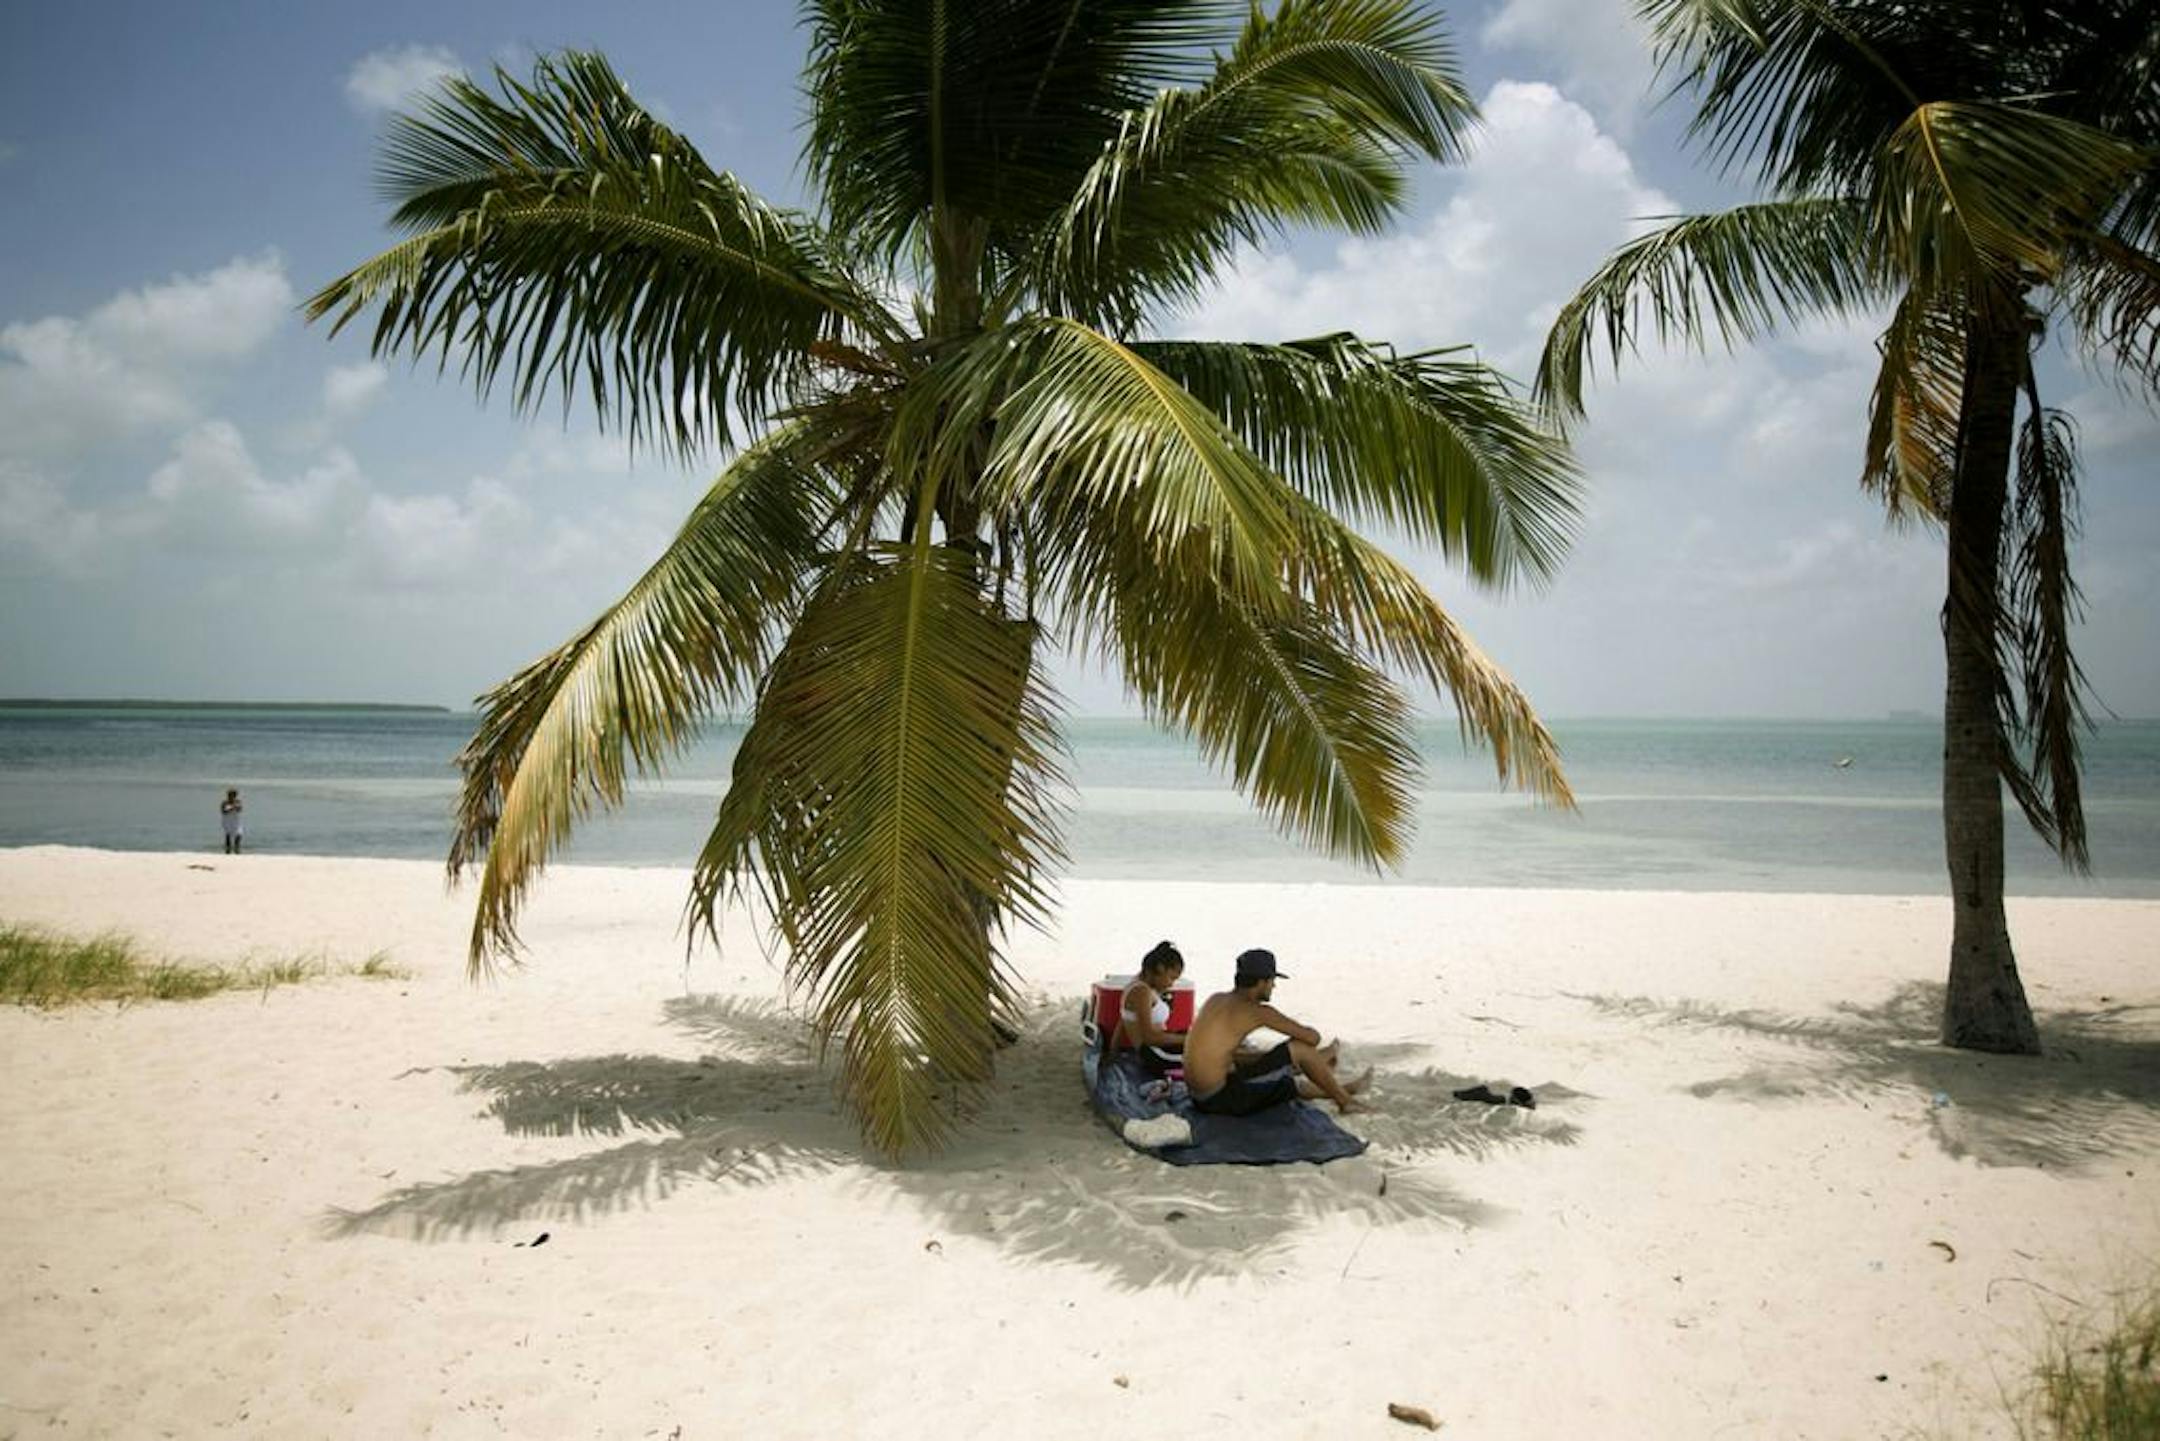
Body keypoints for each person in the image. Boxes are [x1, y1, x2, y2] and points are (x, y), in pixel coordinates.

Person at [1182, 949, 1370, 1116]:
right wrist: (1294, 1045)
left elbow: (1221, 1053)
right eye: (1272, 981)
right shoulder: (1257, 1012)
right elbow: (1312, 1038)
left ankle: (1340, 1083)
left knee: (1273, 1061)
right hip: (1219, 1099)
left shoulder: (1215, 999)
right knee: (1300, 1049)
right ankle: (1345, 1101)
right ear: (1262, 982)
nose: (1274, 986)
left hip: (1198, 1095)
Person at [1114, 940, 1187, 1077]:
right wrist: (1186, 1039)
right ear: (1160, 968)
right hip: (1157, 1054)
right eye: (1171, 978)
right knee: (1211, 1056)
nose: (1171, 984)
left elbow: (1123, 1020)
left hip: (1160, 1047)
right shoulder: (1142, 992)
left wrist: (1113, 1053)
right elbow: (1150, 1038)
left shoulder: (1138, 985)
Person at [219, 788, 244, 855]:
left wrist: (235, 807)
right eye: (230, 795)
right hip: (227, 820)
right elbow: (223, 811)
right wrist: (231, 808)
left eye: (233, 795)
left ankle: (237, 848)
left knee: (239, 834)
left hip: (236, 821)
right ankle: (228, 850)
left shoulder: (238, 802)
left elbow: (240, 809)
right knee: (228, 835)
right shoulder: (224, 803)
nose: (232, 797)